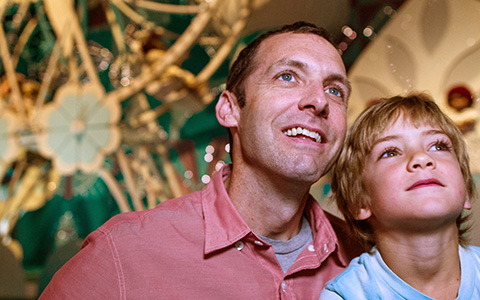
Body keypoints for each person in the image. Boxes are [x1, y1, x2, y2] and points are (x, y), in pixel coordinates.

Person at [41, 21, 360, 299]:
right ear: (229, 110)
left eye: (335, 90)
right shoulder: (124, 255)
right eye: (287, 76)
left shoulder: (367, 260)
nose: (319, 101)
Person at [320, 93, 480, 299]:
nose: (422, 158)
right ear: (359, 201)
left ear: (465, 192)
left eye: (438, 146)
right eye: (390, 152)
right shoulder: (346, 295)